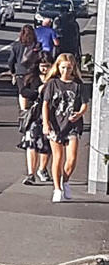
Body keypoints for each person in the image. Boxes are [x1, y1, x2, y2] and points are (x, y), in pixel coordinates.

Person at [42, 53, 89, 202]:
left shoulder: (78, 85)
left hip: (72, 124)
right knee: (58, 156)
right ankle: (57, 188)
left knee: (72, 157)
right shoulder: (52, 84)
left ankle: (65, 180)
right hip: (56, 123)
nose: (65, 71)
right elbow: (46, 104)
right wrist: (45, 122)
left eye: (69, 68)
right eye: (63, 68)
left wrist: (80, 113)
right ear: (58, 67)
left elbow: (84, 104)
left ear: (73, 68)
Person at [17, 71, 51, 185]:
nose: (44, 69)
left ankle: (42, 169)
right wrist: (37, 92)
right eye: (42, 66)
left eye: (47, 66)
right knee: (31, 143)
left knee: (46, 144)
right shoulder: (32, 78)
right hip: (34, 116)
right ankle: (31, 174)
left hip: (50, 116)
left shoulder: (54, 80)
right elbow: (23, 91)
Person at [9, 24, 42, 110]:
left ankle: (23, 111)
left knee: (22, 92)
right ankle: (33, 108)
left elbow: (11, 60)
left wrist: (13, 72)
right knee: (33, 90)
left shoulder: (16, 45)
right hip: (33, 72)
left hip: (20, 72)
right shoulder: (37, 45)